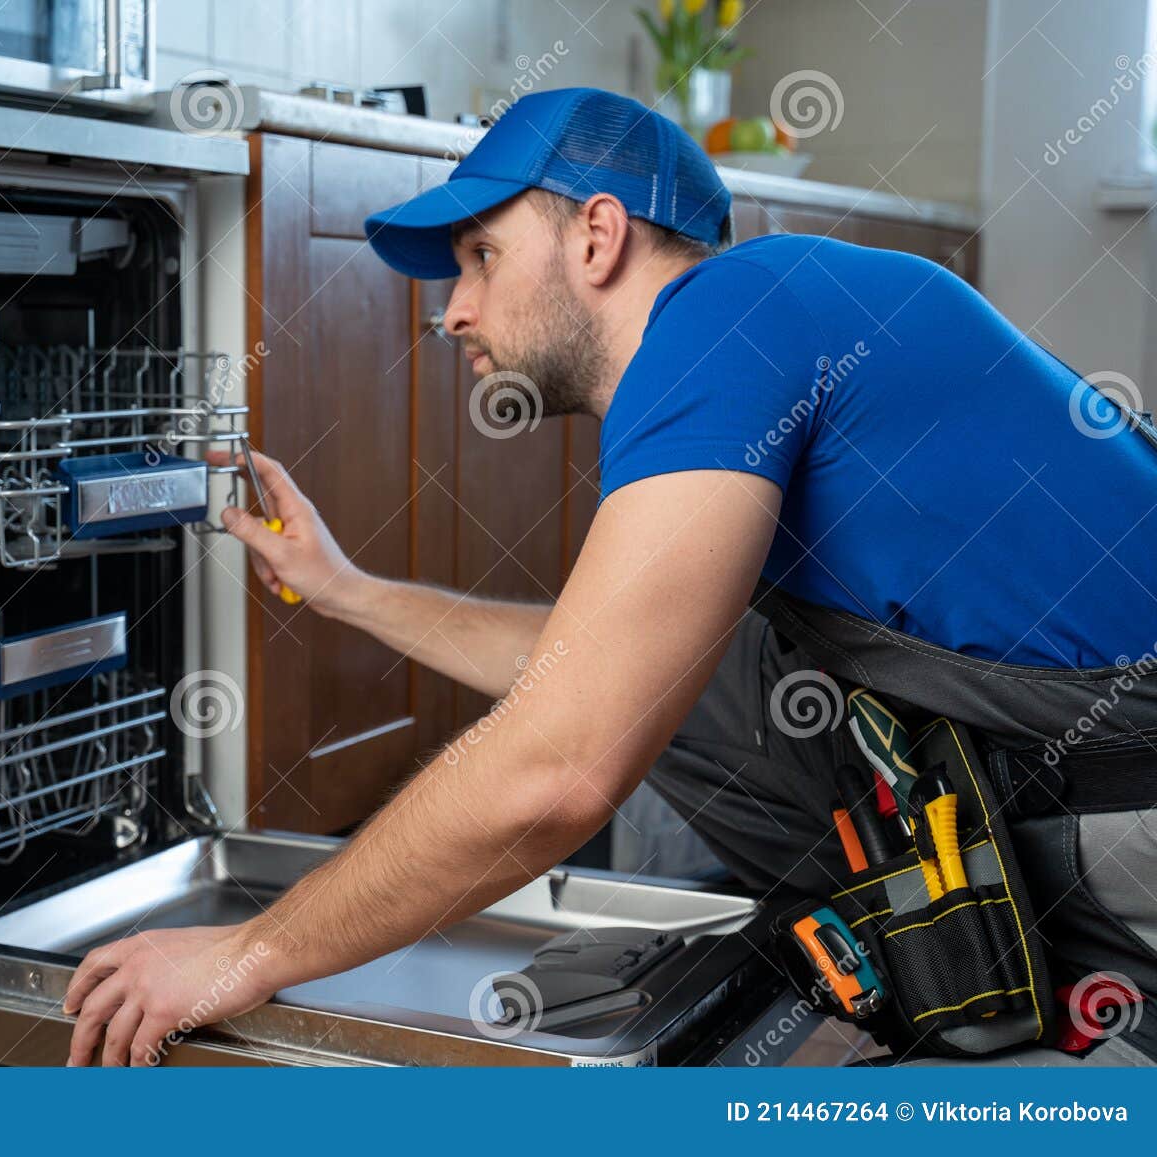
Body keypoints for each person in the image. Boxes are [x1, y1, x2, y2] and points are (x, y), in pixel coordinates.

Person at [63, 87, 1157, 1067]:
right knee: (702, 676)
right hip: (1047, 753)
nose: (452, 311)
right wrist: (340, 584)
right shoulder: (767, 314)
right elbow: (590, 671)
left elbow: (560, 766)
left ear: (597, 234)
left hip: (1125, 825)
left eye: (481, 256)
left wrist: (251, 950)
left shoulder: (727, 317)